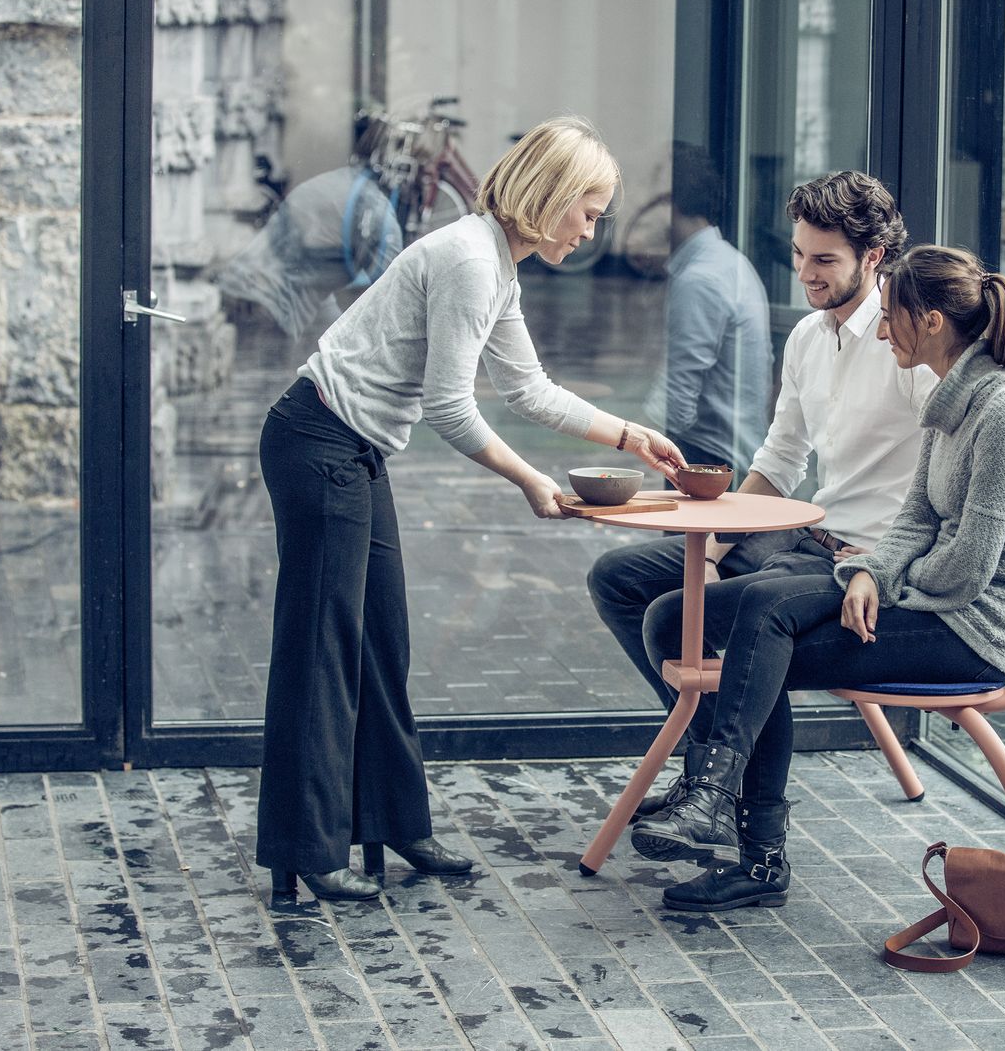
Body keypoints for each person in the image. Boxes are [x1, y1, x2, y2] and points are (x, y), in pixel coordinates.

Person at [257, 116, 685, 900]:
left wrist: (631, 436)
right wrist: (530, 480)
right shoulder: (468, 260)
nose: (592, 232)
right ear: (548, 195)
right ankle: (306, 852)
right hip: (318, 441)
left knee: (381, 640)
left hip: (353, 449)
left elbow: (528, 388)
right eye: (587, 211)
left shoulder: (496, 263)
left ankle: (392, 821)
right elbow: (452, 407)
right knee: (323, 648)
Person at [629, 245, 1005, 910]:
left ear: (934, 322)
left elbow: (971, 567)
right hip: (926, 598)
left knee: (763, 633)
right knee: (671, 617)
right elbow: (915, 520)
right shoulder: (953, 400)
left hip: (969, 629)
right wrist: (867, 573)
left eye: (893, 316)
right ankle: (715, 792)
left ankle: (745, 835)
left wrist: (880, 583)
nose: (883, 330)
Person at [586, 170, 934, 909]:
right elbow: (778, 462)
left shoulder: (906, 344)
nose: (805, 274)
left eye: (825, 261)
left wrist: (878, 560)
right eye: (801, 256)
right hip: (814, 538)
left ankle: (739, 819)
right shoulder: (810, 338)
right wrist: (713, 545)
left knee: (748, 616)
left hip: (874, 565)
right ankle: (713, 768)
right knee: (627, 582)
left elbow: (949, 483)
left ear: (874, 257)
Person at [641, 143, 772, 477]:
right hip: (729, 451)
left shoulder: (700, 279)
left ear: (670, 203)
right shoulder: (728, 262)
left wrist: (628, 445)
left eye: (651, 196)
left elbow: (676, 403)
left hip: (707, 457)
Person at [217, 117, 408, 341]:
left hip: (255, 291)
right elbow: (392, 293)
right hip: (266, 300)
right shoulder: (372, 207)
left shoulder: (343, 185)